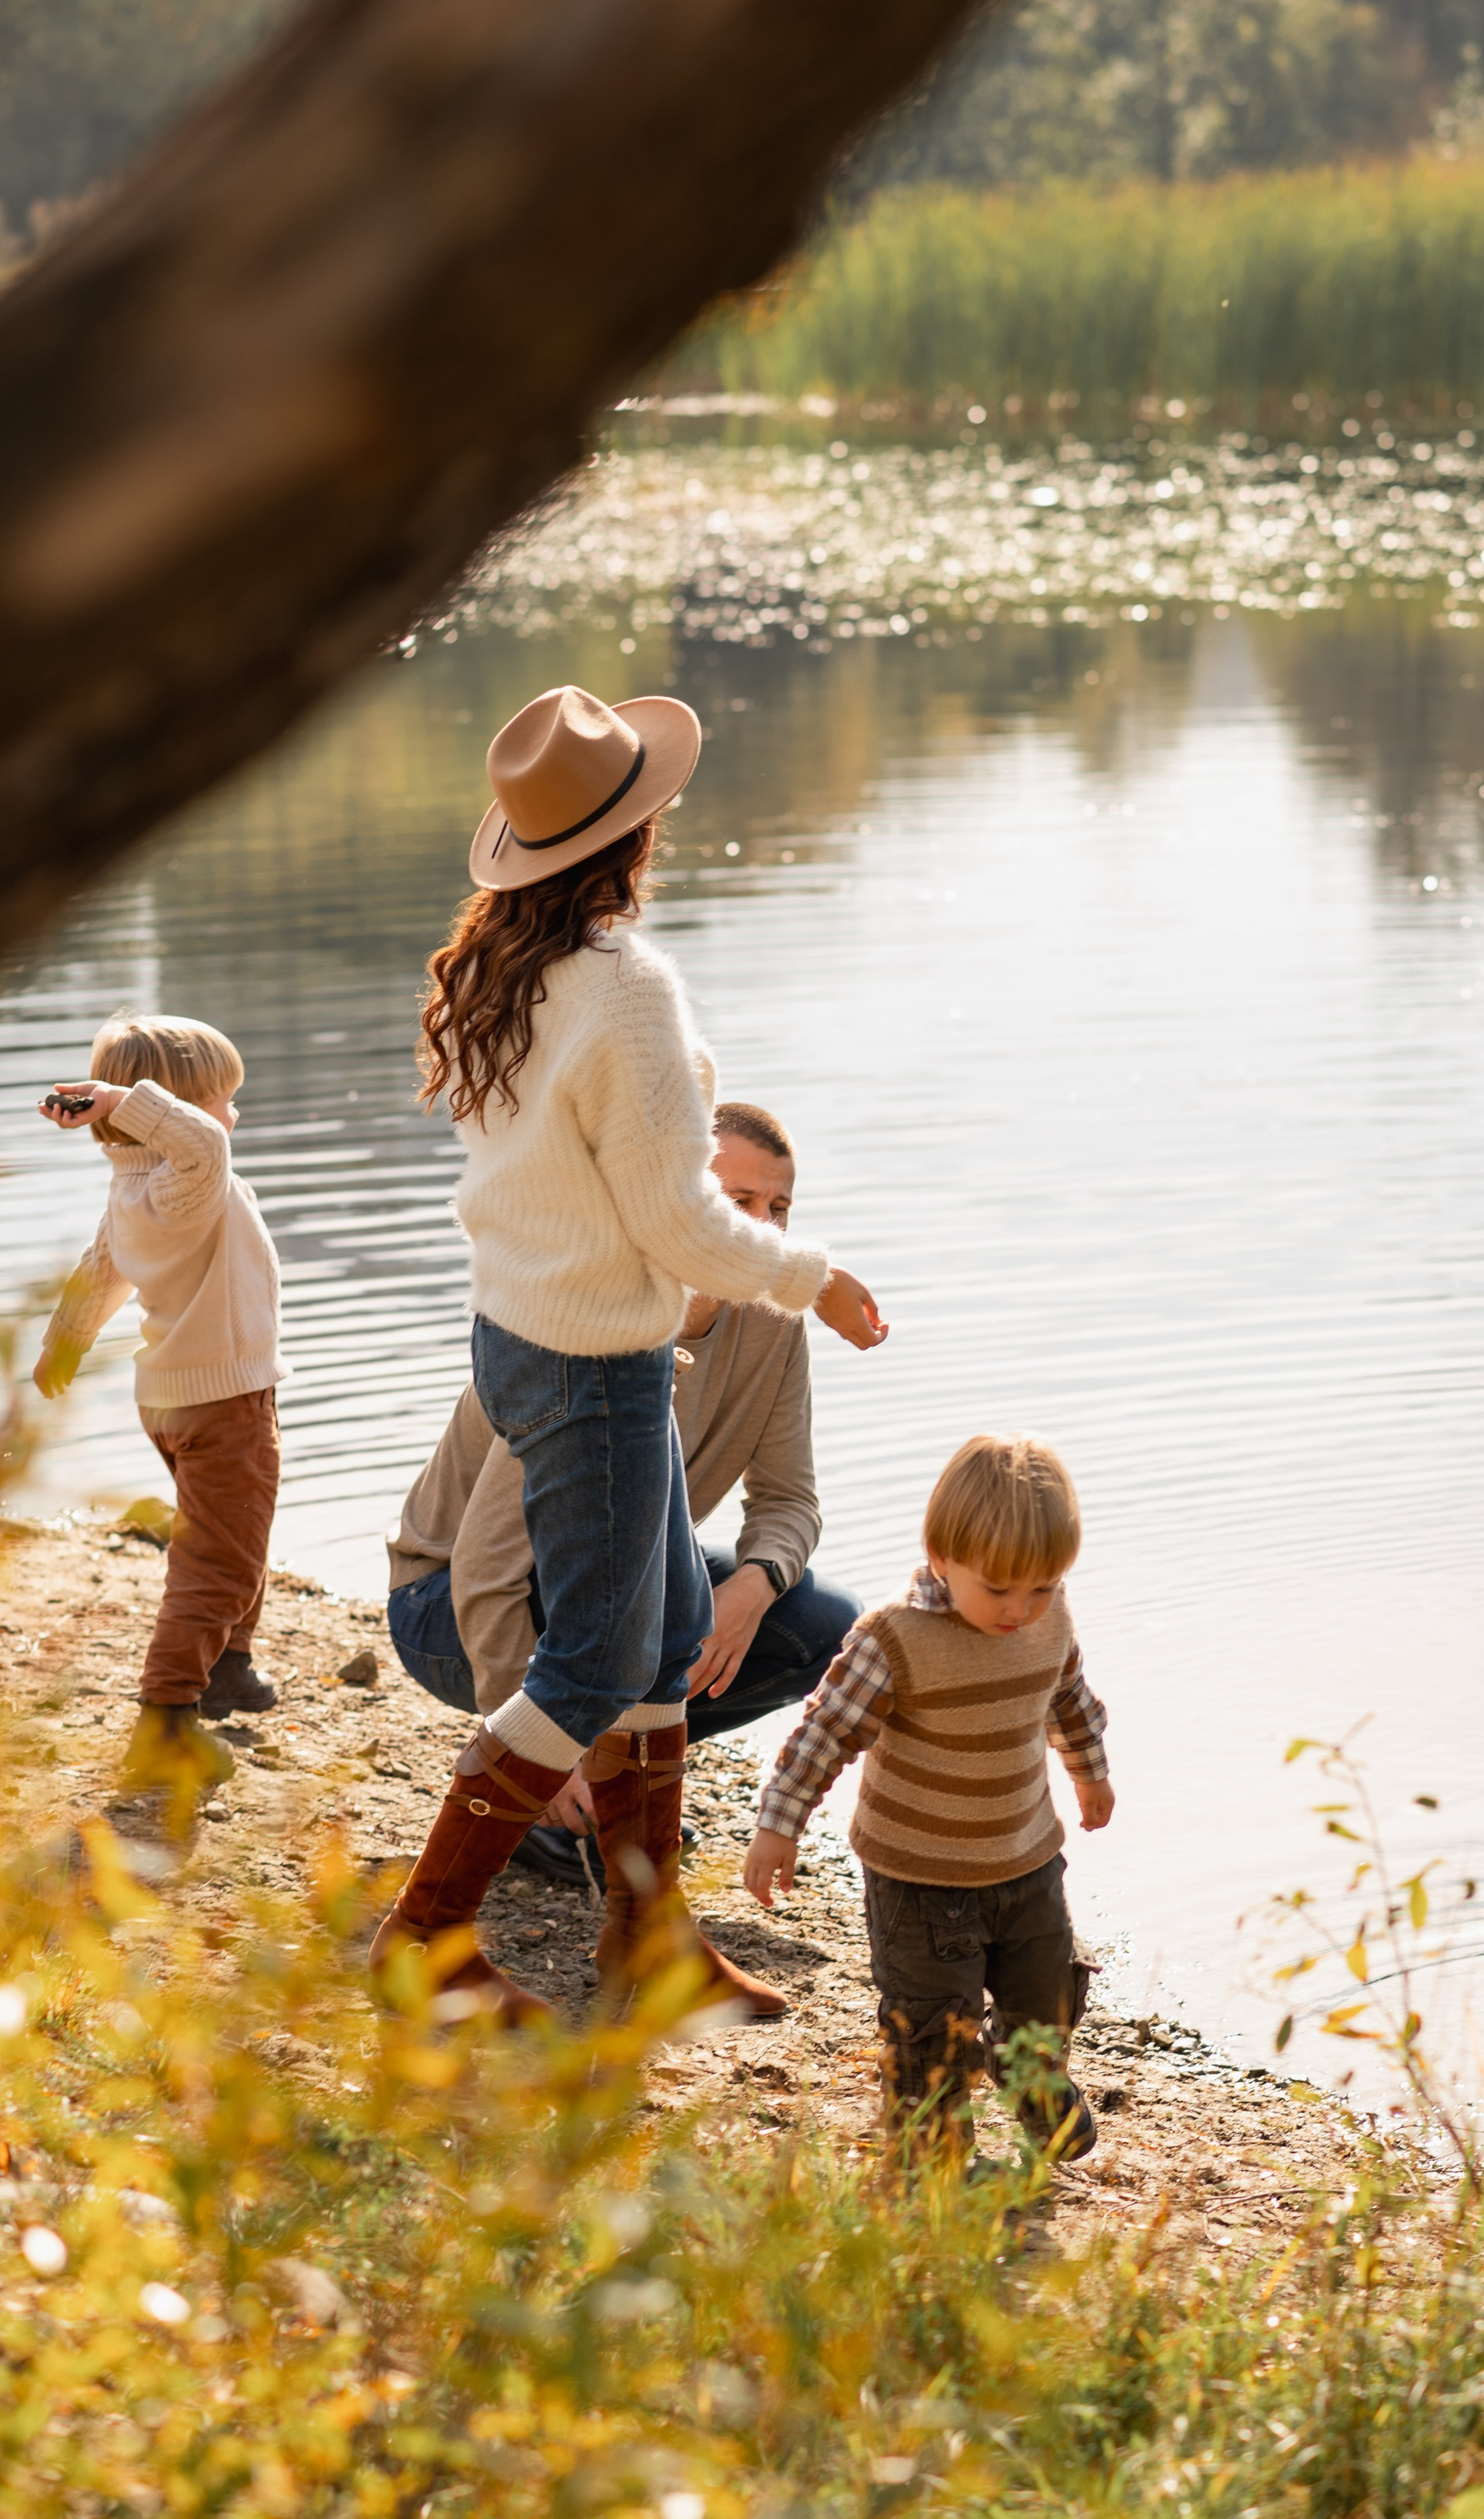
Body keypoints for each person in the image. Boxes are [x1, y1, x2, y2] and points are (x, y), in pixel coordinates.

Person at [371, 682, 887, 2029]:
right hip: (595, 1359)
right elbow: (675, 1218)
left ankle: (651, 1938)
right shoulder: (624, 985)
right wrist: (812, 1278)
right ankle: (423, 1938)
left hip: (528, 1331)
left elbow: (595, 1180)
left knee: (662, 1640)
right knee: (598, 1667)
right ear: (637, 832)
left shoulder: (508, 973)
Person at [385, 1098, 861, 1899]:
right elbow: (487, 1565)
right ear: (674, 1200)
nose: (762, 1229)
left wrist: (752, 1587)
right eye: (736, 1202)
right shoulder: (587, 1318)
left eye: (778, 1207)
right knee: (627, 1622)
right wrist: (533, 1748)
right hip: (446, 1604)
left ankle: (615, 1783)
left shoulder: (773, 1323)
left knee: (820, 1626)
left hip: (607, 1582)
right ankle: (541, 1796)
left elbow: (790, 1499)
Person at [745, 1434, 1111, 2163]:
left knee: (1046, 1995)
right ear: (942, 1557)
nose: (1020, 1608)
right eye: (998, 1588)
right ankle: (933, 2160)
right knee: (931, 2028)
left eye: (1041, 1586)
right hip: (919, 1880)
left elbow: (1067, 1697)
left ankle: (1029, 2076)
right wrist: (779, 1825)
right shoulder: (895, 1639)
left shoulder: (1051, 1618)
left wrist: (1089, 1772)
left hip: (1026, 1859)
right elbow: (825, 1732)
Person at [32, 1013, 287, 1795]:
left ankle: (228, 1665)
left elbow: (101, 1268)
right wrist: (124, 1101)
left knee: (236, 1532)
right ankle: (166, 1720)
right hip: (222, 1400)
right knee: (219, 1559)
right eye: (223, 1098)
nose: (232, 1113)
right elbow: (203, 1143)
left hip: (179, 1398)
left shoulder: (134, 1187)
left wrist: (64, 1341)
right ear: (172, 1111)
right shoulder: (187, 1181)